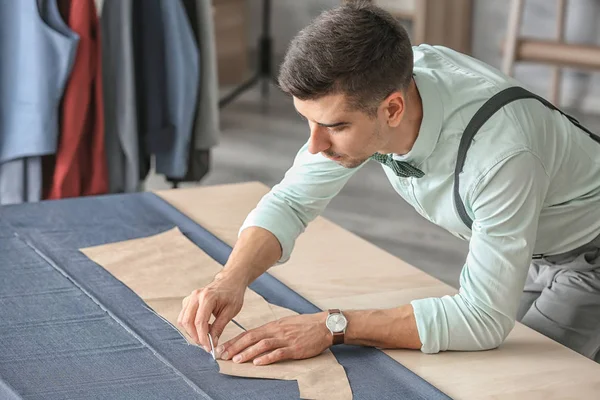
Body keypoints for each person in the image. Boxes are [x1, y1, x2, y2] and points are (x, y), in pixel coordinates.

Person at [177, 1, 600, 365]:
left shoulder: (500, 154)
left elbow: (481, 320)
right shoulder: (382, 82)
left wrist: (332, 326)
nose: (315, 144)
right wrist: (228, 280)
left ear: (393, 109)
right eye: (307, 121)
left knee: (519, 382)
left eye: (334, 126)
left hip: (591, 256)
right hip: (535, 249)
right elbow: (291, 202)